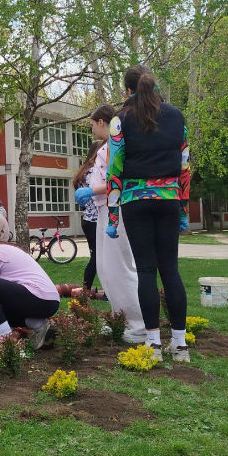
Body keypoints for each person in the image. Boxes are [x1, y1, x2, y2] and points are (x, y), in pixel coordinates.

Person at [105, 66, 191, 362]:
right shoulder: (177, 117)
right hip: (169, 199)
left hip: (135, 201)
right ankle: (179, 345)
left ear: (127, 90)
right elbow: (184, 166)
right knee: (170, 270)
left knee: (145, 270)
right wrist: (183, 208)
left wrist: (113, 215)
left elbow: (114, 168)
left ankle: (153, 345)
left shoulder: (119, 120)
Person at [75, 105, 148, 344]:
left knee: (120, 267)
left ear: (101, 122)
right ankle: (121, 319)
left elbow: (118, 180)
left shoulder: (116, 146)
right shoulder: (106, 147)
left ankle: (139, 326)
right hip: (104, 209)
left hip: (116, 209)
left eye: (92, 124)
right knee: (106, 268)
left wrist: (92, 190)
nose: (92, 129)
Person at [73, 140, 103, 292]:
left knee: (97, 257)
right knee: (99, 258)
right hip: (96, 220)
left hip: (89, 219)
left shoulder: (83, 172)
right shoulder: (93, 172)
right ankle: (87, 290)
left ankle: (86, 290)